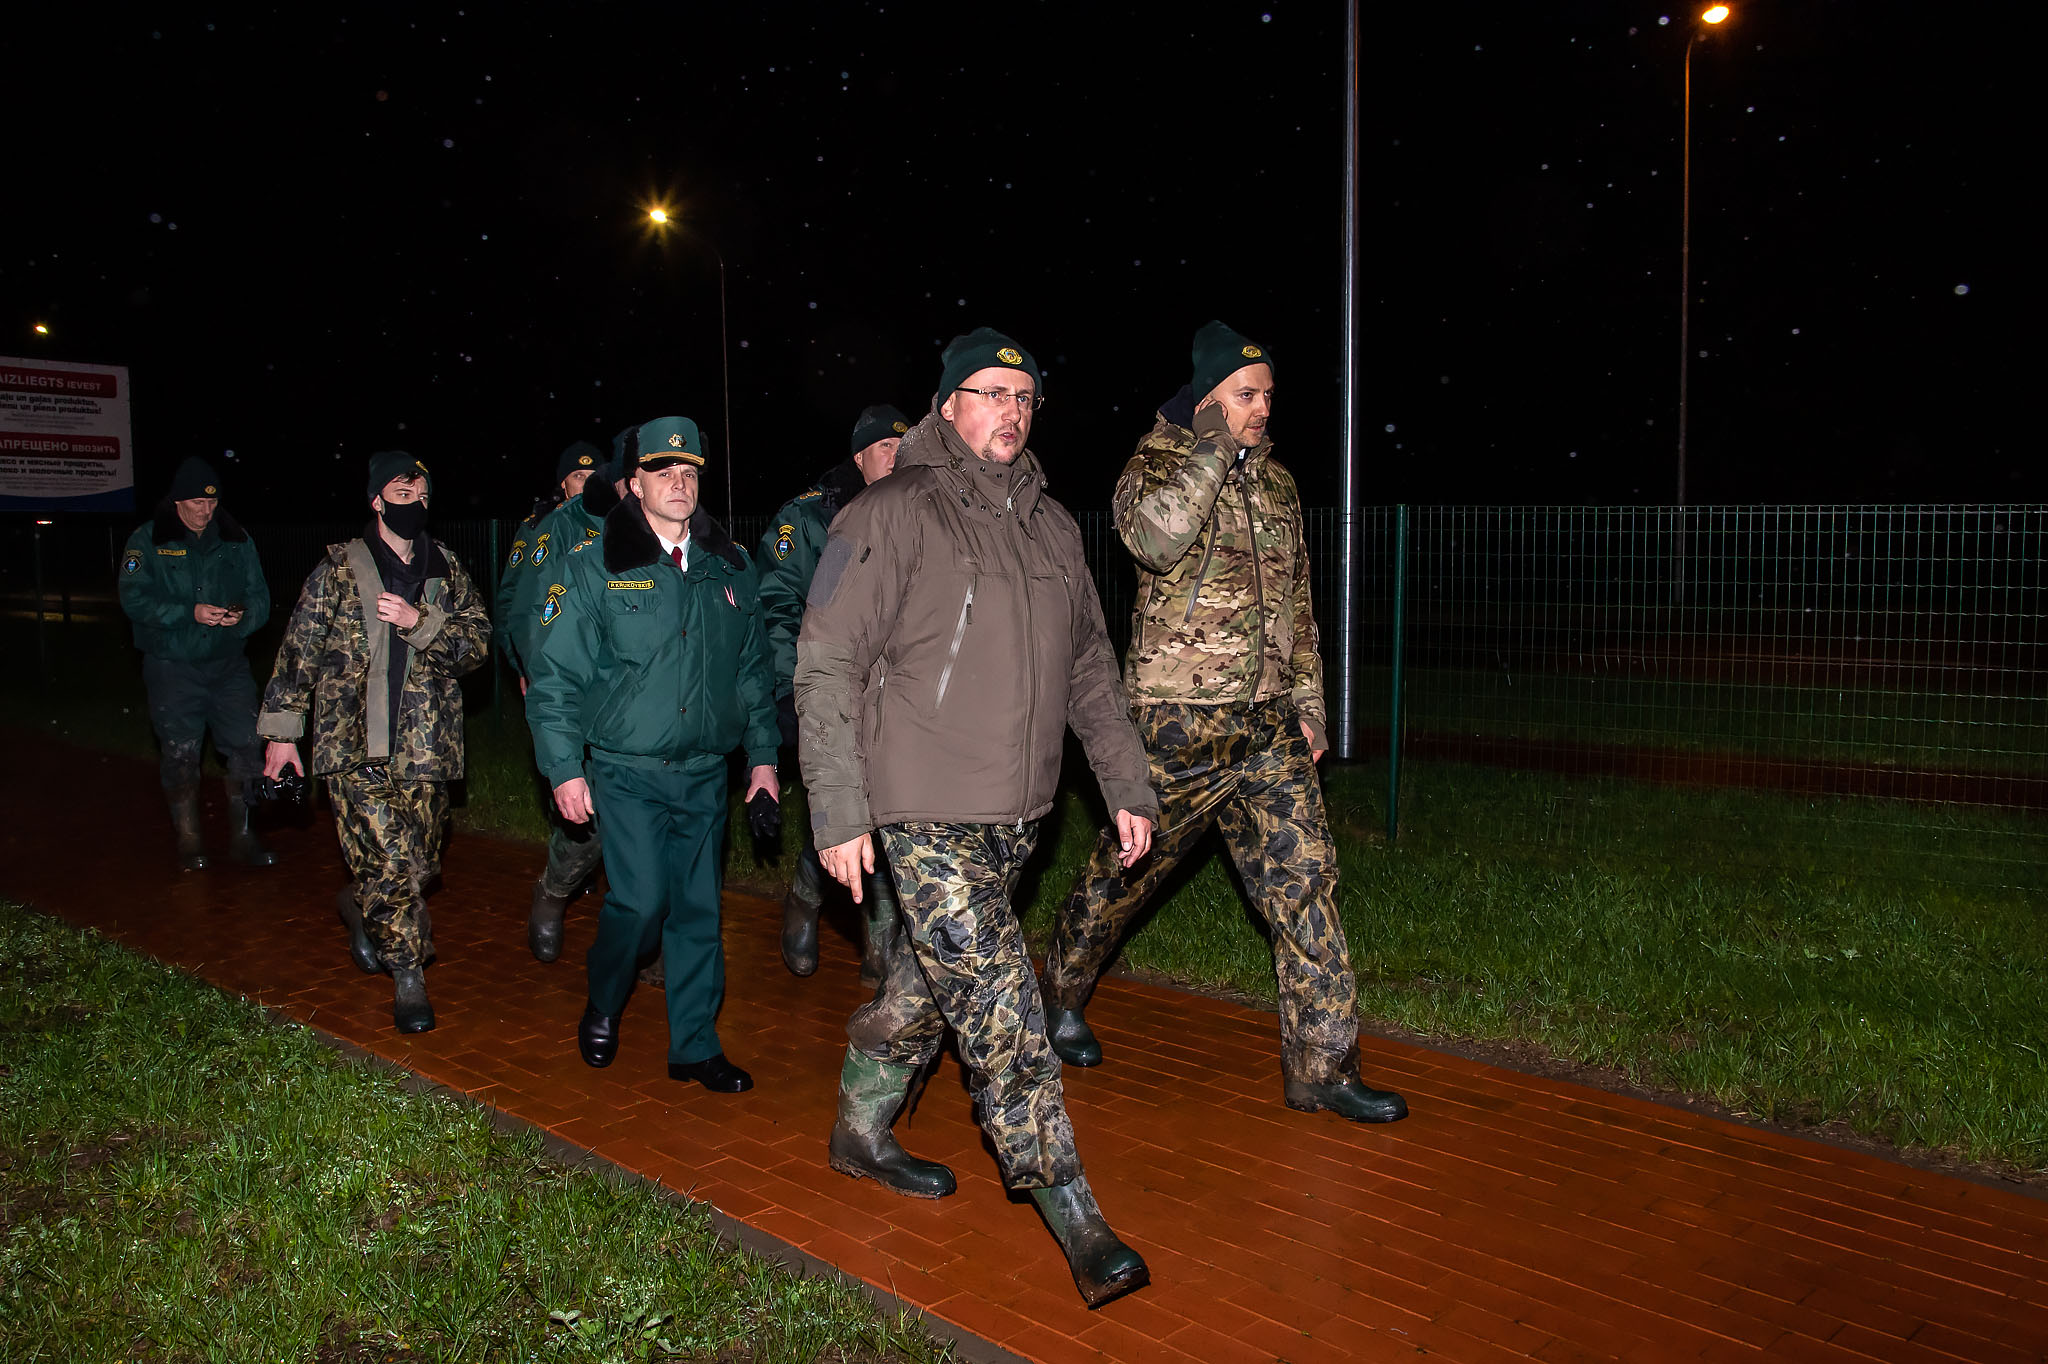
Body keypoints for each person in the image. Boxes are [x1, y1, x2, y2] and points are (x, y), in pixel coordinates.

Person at [795, 328, 1159, 1309]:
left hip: (1017, 814)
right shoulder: (889, 511)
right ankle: (1073, 1209)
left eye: (1024, 396)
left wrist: (1124, 782)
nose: (1011, 409)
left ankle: (858, 1131)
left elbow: (1090, 665)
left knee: (928, 986)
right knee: (1003, 1011)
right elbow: (825, 661)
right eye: (991, 392)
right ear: (947, 405)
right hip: (922, 806)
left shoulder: (1051, 527)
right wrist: (839, 807)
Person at [1041, 321, 1409, 1126]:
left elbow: (1298, 606)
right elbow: (1155, 541)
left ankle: (1323, 1066)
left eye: (1268, 394)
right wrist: (1211, 451)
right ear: (1208, 400)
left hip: (1268, 728)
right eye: (1245, 395)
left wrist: (1309, 706)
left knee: (1306, 883)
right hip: (1178, 723)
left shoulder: (1278, 486)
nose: (1262, 408)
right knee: (1122, 878)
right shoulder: (1154, 465)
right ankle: (1059, 992)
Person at [525, 415, 780, 1093]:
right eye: (662, 470)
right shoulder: (595, 568)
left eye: (689, 470)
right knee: (639, 904)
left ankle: (694, 1045)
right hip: (626, 771)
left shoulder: (731, 567)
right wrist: (564, 769)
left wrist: (762, 760)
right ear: (634, 483)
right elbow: (555, 680)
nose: (678, 481)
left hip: (705, 773)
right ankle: (605, 999)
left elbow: (753, 672)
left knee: (699, 912)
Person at [258, 452, 490, 1033]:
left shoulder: (446, 568)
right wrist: (282, 736)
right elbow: (299, 652)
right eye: (402, 494)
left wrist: (421, 623)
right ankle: (409, 978)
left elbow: (478, 647)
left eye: (422, 495)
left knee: (420, 866)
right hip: (353, 745)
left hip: (427, 748)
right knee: (389, 864)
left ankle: (358, 903)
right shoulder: (339, 569)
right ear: (376, 501)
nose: (414, 504)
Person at [758, 402, 909, 984]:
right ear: (859, 456)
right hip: (828, 689)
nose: (895, 456)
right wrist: (787, 691)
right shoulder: (814, 519)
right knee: (848, 803)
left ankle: (879, 935)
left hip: (896, 697)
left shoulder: (919, 510)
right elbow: (778, 605)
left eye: (902, 445)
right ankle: (808, 893)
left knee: (888, 807)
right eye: (884, 447)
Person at [494, 439, 621, 962]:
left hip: (625, 692)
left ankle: (649, 935)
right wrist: (530, 670)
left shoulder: (635, 523)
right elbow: (520, 607)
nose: (585, 484)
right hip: (572, 683)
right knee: (585, 812)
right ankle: (556, 887)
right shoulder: (548, 529)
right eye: (577, 476)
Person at [117, 456, 276, 870]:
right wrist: (189, 612)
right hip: (173, 665)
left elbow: (260, 596)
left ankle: (244, 837)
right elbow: (133, 598)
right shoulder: (148, 540)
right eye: (196, 503)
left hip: (228, 666)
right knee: (180, 752)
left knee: (248, 745)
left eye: (212, 502)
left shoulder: (236, 539)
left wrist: (243, 617)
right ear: (176, 502)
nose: (206, 511)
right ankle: (189, 841)